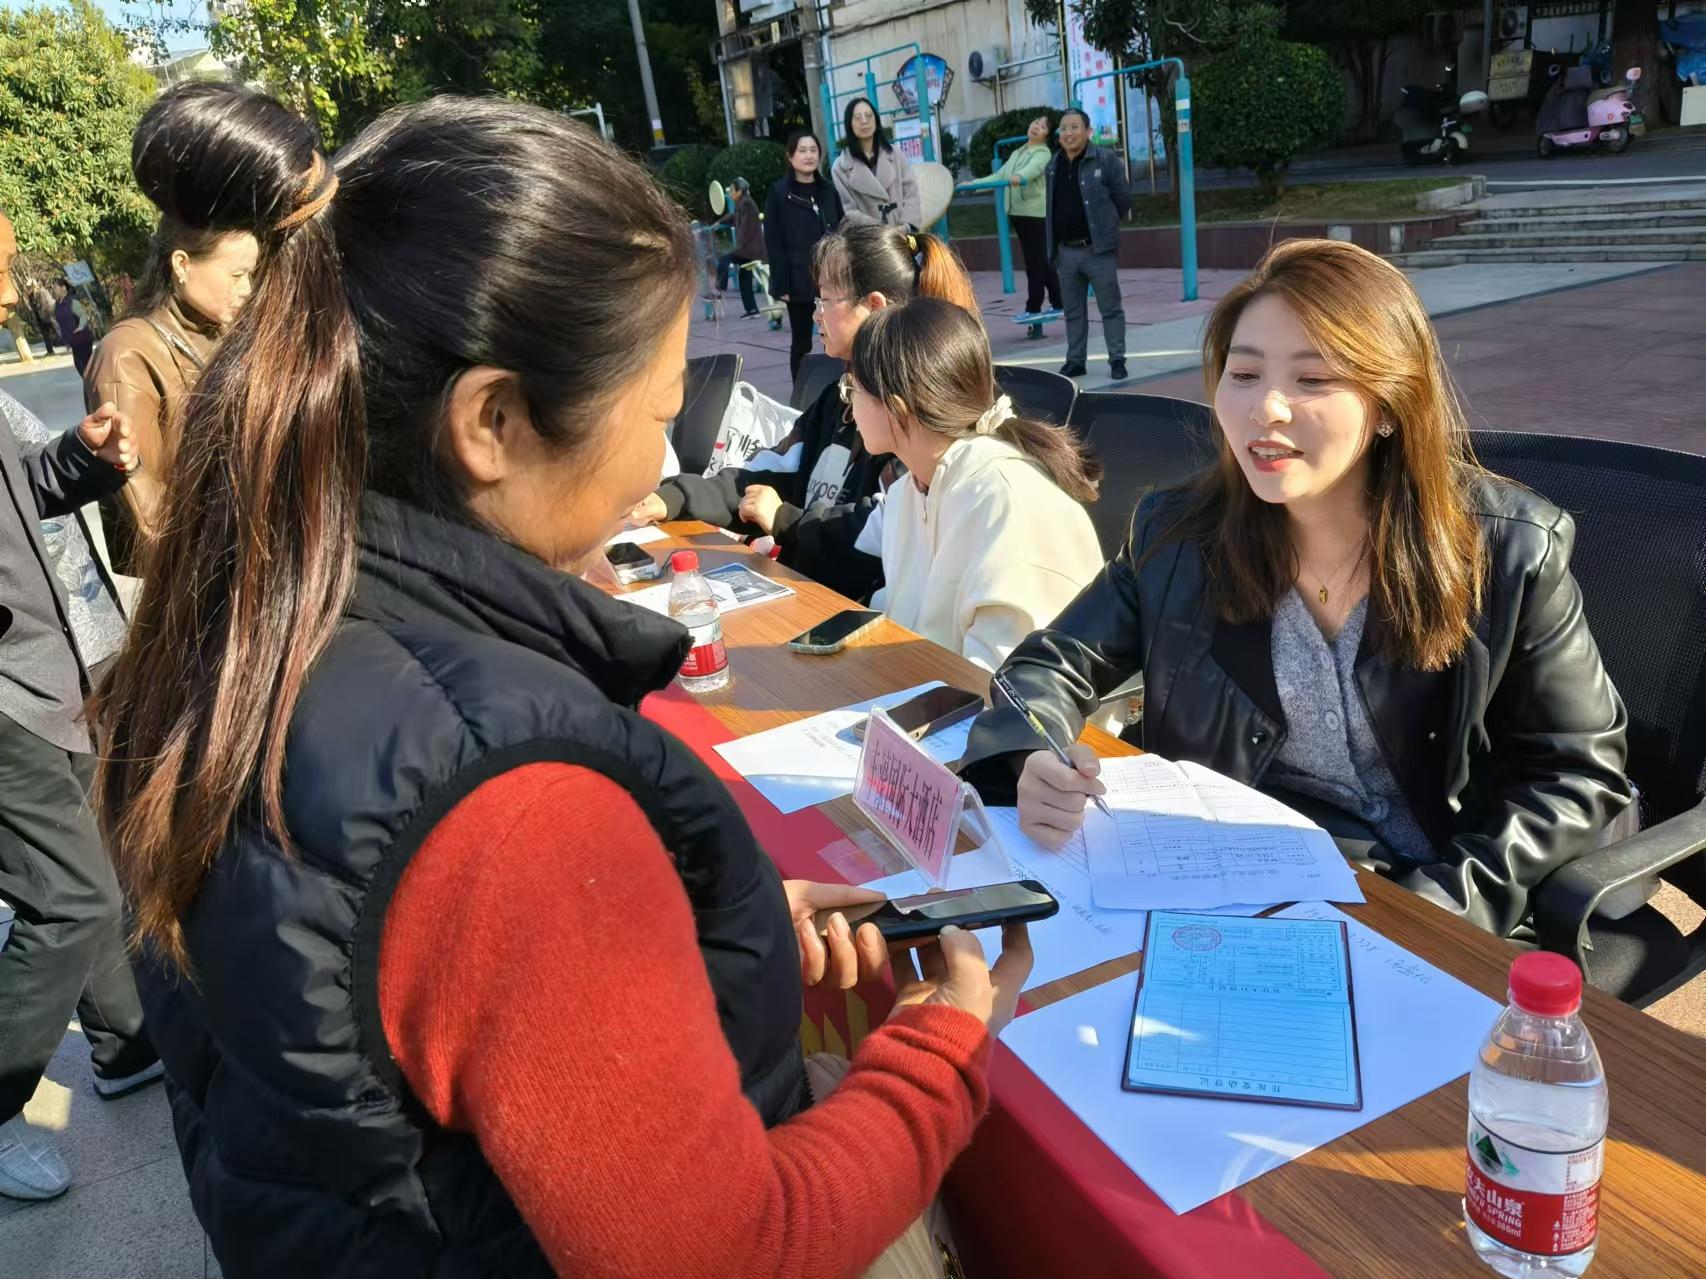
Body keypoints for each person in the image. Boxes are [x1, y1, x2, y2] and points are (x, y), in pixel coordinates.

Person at [92, 98, 1031, 1278]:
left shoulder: (247, 616)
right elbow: (728, 1250)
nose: (655, 466)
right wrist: (941, 1045)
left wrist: (679, 929)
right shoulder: (509, 798)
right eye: (656, 413)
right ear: (491, 422)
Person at [961, 238, 1632, 938]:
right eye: (1244, 374)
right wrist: (1031, 752)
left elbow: (1576, 771)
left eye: (1312, 379)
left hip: (1424, 894)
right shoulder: (1178, 535)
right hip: (1231, 882)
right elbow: (1050, 664)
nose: (1267, 409)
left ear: (1390, 404)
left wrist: (1440, 912)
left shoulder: (1508, 550)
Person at [0, 209, 154, 1204]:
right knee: (69, 898)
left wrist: (82, 458)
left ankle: (127, 1044)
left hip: (49, 667)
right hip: (5, 695)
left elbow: (21, 496)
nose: (8, 290)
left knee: (93, 865)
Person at [631, 223, 980, 603]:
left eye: (826, 300)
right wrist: (674, 497)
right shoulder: (834, 402)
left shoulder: (916, 417)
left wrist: (785, 520)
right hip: (808, 594)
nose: (816, 314)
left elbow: (888, 528)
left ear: (874, 307)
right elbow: (760, 476)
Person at [84, 81, 312, 576]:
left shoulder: (219, 334)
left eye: (252, 274)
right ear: (182, 265)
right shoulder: (127, 356)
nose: (247, 289)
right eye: (236, 275)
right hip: (194, 584)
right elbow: (148, 516)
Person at [848, 297, 1103, 672]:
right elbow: (908, 623)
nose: (848, 404)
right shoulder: (909, 492)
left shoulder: (1006, 500)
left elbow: (1004, 683)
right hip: (927, 693)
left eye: (853, 389)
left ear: (896, 409)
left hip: (993, 704)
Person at [1046, 108, 1130, 382]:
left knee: (1110, 308)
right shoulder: (1053, 165)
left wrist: (1107, 229)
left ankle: (1117, 359)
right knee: (1073, 311)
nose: (1068, 133)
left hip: (1098, 251)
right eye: (1064, 128)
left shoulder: (1106, 160)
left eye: (1074, 127)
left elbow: (1123, 199)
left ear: (1088, 131)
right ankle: (1075, 361)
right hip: (1066, 252)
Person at [765, 130, 844, 382]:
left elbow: (841, 231)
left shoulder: (828, 191)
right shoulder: (779, 194)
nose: (809, 156)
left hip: (830, 277)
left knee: (838, 336)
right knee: (802, 342)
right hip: (797, 281)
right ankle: (801, 392)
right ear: (790, 156)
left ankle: (840, 388)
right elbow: (773, 242)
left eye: (813, 150)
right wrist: (781, 285)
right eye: (802, 150)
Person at [993, 114, 1061, 321]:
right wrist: (974, 184)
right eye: (1036, 122)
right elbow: (1000, 175)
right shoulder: (1019, 152)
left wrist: (1020, 177)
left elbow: (1032, 170)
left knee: (1035, 264)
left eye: (1043, 126)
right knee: (1041, 261)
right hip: (1019, 214)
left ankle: (1033, 308)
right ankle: (1060, 302)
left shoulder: (1043, 153)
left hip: (1034, 215)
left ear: (1047, 135)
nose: (1037, 126)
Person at [832, 97, 922, 231]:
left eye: (869, 116)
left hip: (903, 234)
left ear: (876, 120)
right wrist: (882, 231)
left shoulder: (895, 154)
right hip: (868, 239)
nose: (864, 121)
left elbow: (911, 193)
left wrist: (906, 227)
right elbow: (848, 211)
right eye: (857, 118)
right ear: (849, 124)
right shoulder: (841, 167)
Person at [713, 176, 766, 318]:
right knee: (744, 279)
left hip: (749, 249)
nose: (730, 193)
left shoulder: (746, 204)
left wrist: (738, 248)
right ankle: (752, 309)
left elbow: (745, 228)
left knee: (725, 259)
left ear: (739, 191)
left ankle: (719, 289)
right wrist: (720, 222)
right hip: (750, 249)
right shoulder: (743, 203)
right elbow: (734, 217)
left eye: (732, 190)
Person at [52, 279, 96, 376]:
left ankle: (94, 383)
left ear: (63, 288)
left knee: (85, 366)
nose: (54, 289)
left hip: (83, 339)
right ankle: (91, 383)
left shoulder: (73, 302)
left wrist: (80, 327)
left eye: (55, 287)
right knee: (79, 366)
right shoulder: (57, 304)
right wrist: (65, 340)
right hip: (74, 341)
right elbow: (60, 323)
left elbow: (83, 315)